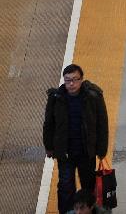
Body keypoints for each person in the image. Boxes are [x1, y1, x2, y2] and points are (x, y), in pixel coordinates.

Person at [43, 64, 108, 214]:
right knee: (66, 186)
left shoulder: (94, 96)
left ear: (81, 79)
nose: (71, 84)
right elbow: (49, 124)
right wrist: (49, 146)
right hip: (65, 153)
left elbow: (102, 124)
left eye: (74, 80)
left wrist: (102, 149)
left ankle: (87, 211)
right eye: (67, 80)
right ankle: (67, 212)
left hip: (86, 151)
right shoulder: (56, 98)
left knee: (87, 185)